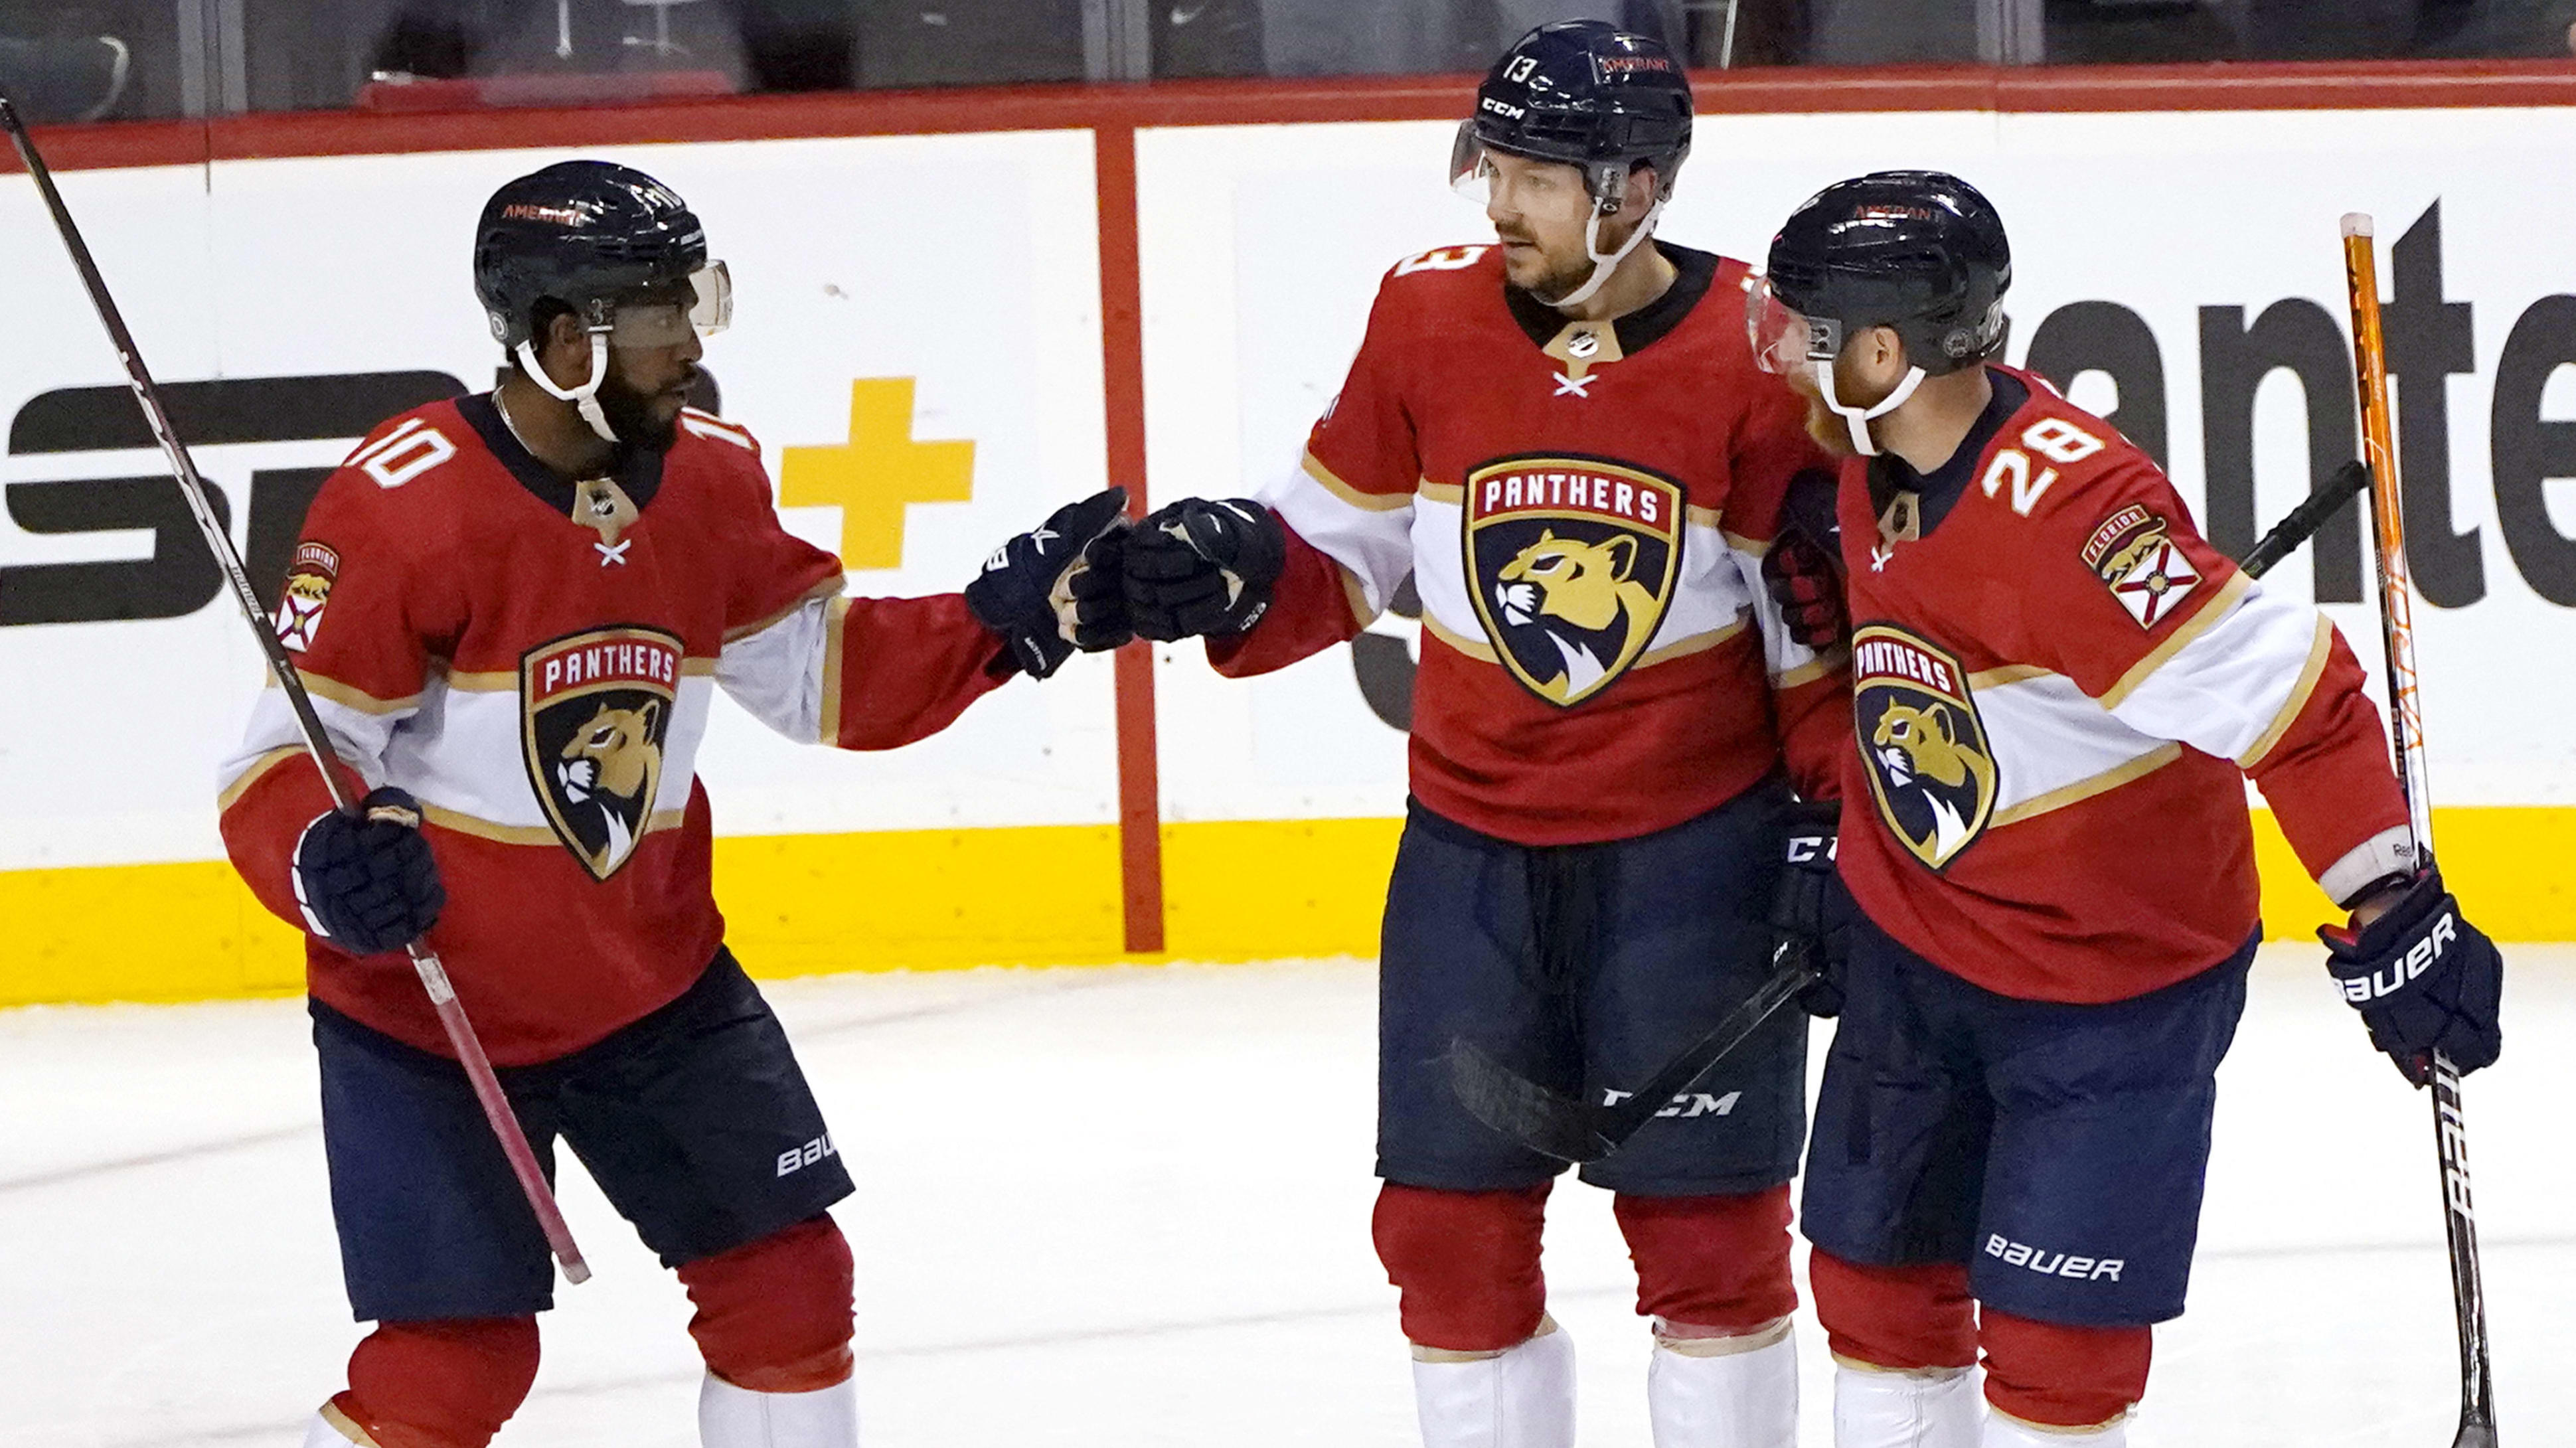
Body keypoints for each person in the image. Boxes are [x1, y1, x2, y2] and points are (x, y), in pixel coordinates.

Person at [215, 159, 1125, 1448]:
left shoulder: (710, 474)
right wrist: (325, 857)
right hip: (433, 1009)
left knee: (788, 1287)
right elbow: (279, 756)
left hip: (655, 983)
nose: (691, 341)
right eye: (657, 314)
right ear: (559, 340)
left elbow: (820, 676)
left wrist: (999, 625)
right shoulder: (401, 503)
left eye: (696, 300)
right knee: (453, 1364)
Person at [1084, 21, 1848, 1448]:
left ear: (1631, 189)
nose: (1497, 204)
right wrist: (1232, 567)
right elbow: (1343, 547)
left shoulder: (1751, 354)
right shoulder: (1423, 313)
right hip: (1471, 855)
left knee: (1708, 1243)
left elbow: (1811, 631)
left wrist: (1827, 819)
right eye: (1490, 165)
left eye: (1536, 177)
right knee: (1440, 1231)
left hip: (1689, 856)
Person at [1745, 170, 2506, 1447]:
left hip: (2106, 985)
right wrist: (1834, 829)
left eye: (1805, 323)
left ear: (1883, 349)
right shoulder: (1872, 455)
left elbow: (2302, 703)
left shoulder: (2079, 520)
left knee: (2059, 1356)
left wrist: (2392, 906)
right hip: (1917, 954)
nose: (1774, 342)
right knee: (1876, 1297)